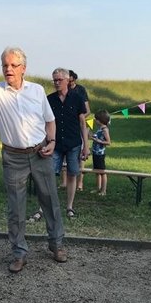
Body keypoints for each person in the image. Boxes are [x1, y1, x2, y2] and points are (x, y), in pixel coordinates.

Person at [0, 32, 66, 273]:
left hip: (40, 153)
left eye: (13, 65)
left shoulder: (37, 91)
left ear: (23, 68)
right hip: (14, 157)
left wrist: (52, 141)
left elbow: (50, 121)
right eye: (5, 65)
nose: (8, 69)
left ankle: (56, 244)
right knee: (16, 208)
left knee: (50, 200)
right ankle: (19, 252)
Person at [28, 68, 89, 221]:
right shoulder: (49, 99)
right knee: (48, 174)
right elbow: (44, 123)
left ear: (68, 80)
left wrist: (86, 146)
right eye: (54, 80)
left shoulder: (77, 98)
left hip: (73, 142)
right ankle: (42, 208)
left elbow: (83, 123)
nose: (56, 83)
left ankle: (69, 207)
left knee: (72, 173)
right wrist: (42, 142)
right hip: (54, 143)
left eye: (59, 80)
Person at [66, 70, 90, 191]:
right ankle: (64, 181)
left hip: (79, 125)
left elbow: (87, 111)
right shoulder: (63, 90)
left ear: (74, 79)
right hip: (67, 127)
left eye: (70, 81)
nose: (68, 83)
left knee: (80, 154)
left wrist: (78, 119)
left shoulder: (81, 90)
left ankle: (80, 182)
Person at [89, 110, 111, 196]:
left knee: (102, 172)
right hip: (95, 153)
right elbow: (95, 137)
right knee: (97, 171)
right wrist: (90, 135)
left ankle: (103, 190)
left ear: (100, 120)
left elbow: (108, 142)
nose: (94, 120)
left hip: (100, 154)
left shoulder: (105, 130)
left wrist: (98, 141)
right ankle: (98, 188)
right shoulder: (100, 129)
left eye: (96, 119)